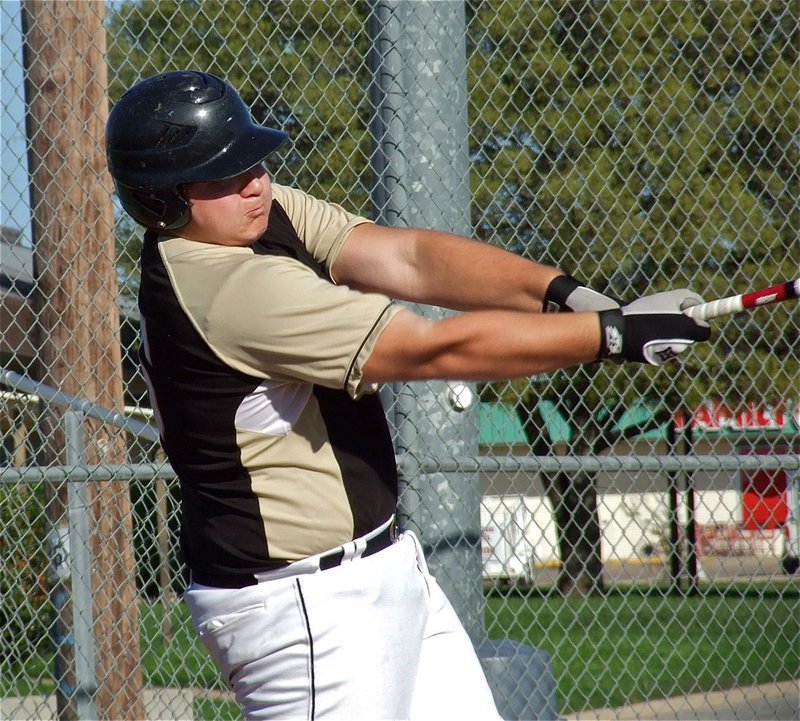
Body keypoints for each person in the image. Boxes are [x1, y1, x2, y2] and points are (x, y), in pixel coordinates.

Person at [105, 70, 710, 720]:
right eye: (221, 174)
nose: (255, 180)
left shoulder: (251, 220)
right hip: (303, 610)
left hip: (382, 567)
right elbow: (429, 350)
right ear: (162, 201)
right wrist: (609, 335)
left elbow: (408, 258)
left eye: (252, 159)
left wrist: (568, 294)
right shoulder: (231, 289)